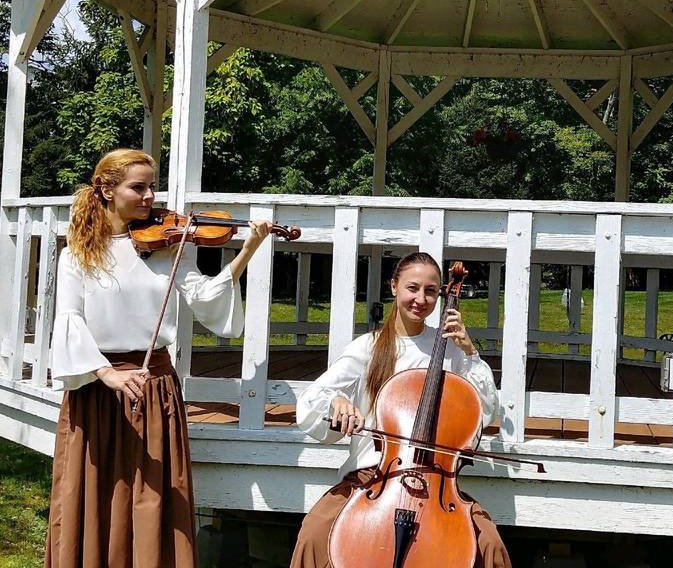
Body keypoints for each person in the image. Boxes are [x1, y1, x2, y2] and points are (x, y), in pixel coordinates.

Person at [45, 148, 273, 567]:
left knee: (152, 498)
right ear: (106, 189)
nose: (151, 196)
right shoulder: (77, 254)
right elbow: (70, 321)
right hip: (95, 389)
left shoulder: (170, 246)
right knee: (92, 492)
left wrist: (248, 250)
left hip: (154, 388)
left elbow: (206, 299)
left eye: (153, 186)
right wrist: (105, 372)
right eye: (139, 187)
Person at [292, 252, 511, 568]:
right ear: (394, 286)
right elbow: (312, 400)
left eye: (431, 291)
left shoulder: (451, 349)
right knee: (313, 534)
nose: (421, 299)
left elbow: (487, 411)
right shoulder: (368, 347)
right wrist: (336, 403)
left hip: (438, 484)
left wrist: (470, 352)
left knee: (489, 544)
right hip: (375, 476)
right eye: (412, 288)